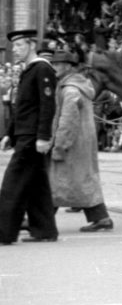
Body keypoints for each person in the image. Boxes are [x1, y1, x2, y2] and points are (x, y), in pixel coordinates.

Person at [0, 30, 59, 245]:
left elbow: (47, 105)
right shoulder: (29, 70)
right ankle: (44, 230)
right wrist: (9, 134)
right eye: (13, 47)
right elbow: (22, 108)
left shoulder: (42, 69)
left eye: (19, 46)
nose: (14, 50)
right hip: (25, 134)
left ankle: (3, 232)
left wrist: (43, 136)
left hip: (33, 137)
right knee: (37, 185)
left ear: (31, 45)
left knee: (12, 184)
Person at [48, 50, 112, 232]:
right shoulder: (77, 86)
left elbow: (67, 121)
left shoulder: (69, 90)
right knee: (79, 181)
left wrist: (59, 145)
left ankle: (40, 219)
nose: (54, 67)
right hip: (82, 143)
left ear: (68, 67)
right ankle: (101, 219)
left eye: (58, 64)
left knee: (60, 181)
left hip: (72, 144)